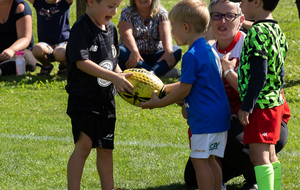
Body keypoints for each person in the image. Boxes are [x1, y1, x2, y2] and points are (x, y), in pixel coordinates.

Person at [184, 1, 291, 190]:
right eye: (216, 15)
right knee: (194, 175)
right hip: (255, 110)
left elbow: (259, 77)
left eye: (229, 15)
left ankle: (257, 181)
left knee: (256, 155)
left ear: (241, 19)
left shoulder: (253, 37)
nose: (222, 20)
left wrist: (228, 74)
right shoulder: (206, 50)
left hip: (259, 109)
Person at [139, 0, 231, 189]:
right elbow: (191, 83)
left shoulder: (191, 55)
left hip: (204, 119)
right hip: (219, 116)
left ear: (186, 27)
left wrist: (158, 103)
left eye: (173, 27)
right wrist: (163, 88)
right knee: (212, 159)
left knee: (200, 161)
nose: (172, 32)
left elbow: (184, 90)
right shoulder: (209, 50)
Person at [65, 0, 135, 189]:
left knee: (106, 148)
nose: (115, 11)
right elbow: (82, 62)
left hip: (106, 100)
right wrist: (114, 77)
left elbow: (112, 60)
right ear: (92, 2)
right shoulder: (81, 28)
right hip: (84, 99)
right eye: (111, 6)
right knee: (84, 146)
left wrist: (121, 76)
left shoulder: (111, 29)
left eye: (117, 6)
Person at [231, 0, 288, 189]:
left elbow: (259, 73)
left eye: (243, 0)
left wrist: (247, 106)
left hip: (260, 106)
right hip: (274, 103)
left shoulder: (257, 32)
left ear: (256, 2)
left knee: (259, 157)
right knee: (271, 155)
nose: (240, 3)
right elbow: (280, 72)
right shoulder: (276, 30)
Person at [117, 0, 182, 78]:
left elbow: (166, 34)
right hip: (133, 56)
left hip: (156, 57)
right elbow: (126, 35)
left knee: (176, 50)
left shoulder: (161, 13)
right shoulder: (127, 12)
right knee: (120, 51)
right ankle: (158, 74)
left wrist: (168, 51)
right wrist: (134, 51)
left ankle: (151, 73)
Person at [27, 0, 73, 76]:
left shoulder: (63, 3)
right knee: (37, 49)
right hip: (46, 45)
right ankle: (46, 65)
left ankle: (63, 65)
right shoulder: (39, 3)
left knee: (61, 53)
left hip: (62, 43)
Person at [0, 0, 37, 77]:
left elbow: (25, 38)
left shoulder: (20, 6)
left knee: (20, 60)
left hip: (19, 52)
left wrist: (11, 49)